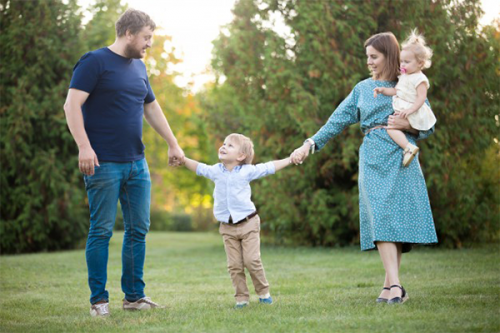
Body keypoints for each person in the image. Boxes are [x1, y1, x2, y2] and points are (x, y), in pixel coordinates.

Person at [290, 32, 438, 305]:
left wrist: (407, 126)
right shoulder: (361, 89)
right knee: (381, 215)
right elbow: (334, 122)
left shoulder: (407, 83)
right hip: (372, 158)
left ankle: (389, 286)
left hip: (401, 155)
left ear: (389, 55)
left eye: (374, 56)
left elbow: (427, 123)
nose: (368, 61)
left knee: (394, 220)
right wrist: (308, 145)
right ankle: (396, 285)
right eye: (367, 56)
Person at [63, 9, 185, 317]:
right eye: (146, 37)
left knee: (138, 230)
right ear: (128, 33)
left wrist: (173, 143)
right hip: (103, 164)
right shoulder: (94, 62)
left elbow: (152, 108)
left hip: (137, 163)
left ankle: (134, 296)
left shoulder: (139, 68)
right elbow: (71, 104)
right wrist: (84, 146)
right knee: (101, 230)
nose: (149, 44)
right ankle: (98, 301)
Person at [183, 133, 291, 309]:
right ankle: (241, 298)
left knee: (252, 261)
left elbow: (269, 167)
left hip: (248, 223)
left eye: (230, 146)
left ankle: (264, 293)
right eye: (224, 143)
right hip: (227, 228)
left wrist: (289, 159)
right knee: (234, 265)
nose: (223, 146)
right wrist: (182, 159)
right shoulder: (216, 170)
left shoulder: (246, 171)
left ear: (241, 156)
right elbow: (198, 167)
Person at [373, 30, 436, 167]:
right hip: (405, 110)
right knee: (392, 126)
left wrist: (410, 110)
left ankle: (408, 147)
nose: (402, 65)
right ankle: (407, 147)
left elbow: (421, 98)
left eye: (407, 62)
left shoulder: (420, 79)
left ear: (420, 63)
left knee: (391, 127)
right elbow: (397, 91)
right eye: (401, 61)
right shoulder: (404, 77)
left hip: (413, 111)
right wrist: (383, 90)